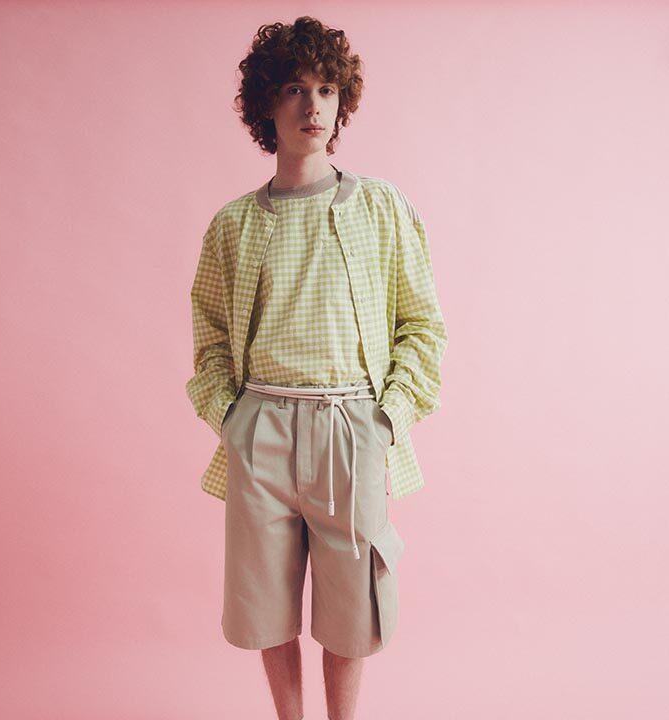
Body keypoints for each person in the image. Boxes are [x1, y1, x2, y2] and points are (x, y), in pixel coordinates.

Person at [185, 16, 448, 720]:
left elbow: (423, 325)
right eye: (295, 89)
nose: (312, 105)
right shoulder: (233, 225)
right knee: (264, 603)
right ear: (267, 105)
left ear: (342, 102)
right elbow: (209, 342)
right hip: (261, 430)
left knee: (352, 605)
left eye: (327, 89)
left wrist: (386, 420)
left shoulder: (381, 207)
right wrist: (231, 418)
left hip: (350, 426)